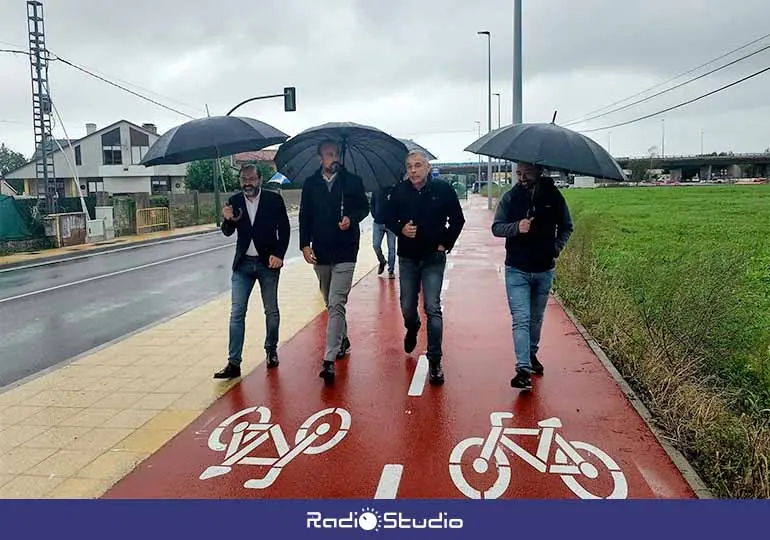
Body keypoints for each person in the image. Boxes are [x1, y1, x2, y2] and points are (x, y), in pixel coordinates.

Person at [491, 162, 574, 391]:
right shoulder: (510, 198)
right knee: (522, 318)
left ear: (538, 171)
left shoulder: (553, 197)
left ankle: (531, 355)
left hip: (544, 269)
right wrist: (517, 227)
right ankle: (523, 369)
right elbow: (497, 227)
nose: (522, 177)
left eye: (526, 172)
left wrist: (556, 248)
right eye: (518, 173)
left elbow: (567, 226)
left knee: (536, 319)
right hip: (516, 268)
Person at [386, 150, 465, 385]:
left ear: (428, 167)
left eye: (418, 165)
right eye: (409, 166)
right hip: (408, 257)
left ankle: (435, 360)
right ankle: (412, 327)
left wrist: (445, 243)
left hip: (433, 257)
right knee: (407, 305)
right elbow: (386, 217)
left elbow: (458, 220)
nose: (413, 170)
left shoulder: (442, 190)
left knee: (433, 307)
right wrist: (400, 229)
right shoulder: (399, 191)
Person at [299, 139, 369, 383]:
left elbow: (364, 208)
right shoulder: (310, 184)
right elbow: (304, 217)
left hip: (346, 251)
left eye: (336, 153)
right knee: (331, 302)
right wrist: (304, 245)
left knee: (337, 301)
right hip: (321, 251)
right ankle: (343, 338)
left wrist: (351, 217)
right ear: (321, 158)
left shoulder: (352, 181)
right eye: (329, 154)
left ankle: (329, 359)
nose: (333, 158)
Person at [215, 164, 291, 379]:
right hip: (243, 266)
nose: (247, 183)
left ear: (260, 179)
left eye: (251, 179)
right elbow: (228, 232)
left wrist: (279, 254)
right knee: (237, 313)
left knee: (271, 311)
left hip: (268, 263)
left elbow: (284, 230)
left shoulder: (274, 200)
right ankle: (233, 362)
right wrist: (227, 218)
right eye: (243, 179)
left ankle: (271, 350)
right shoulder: (235, 201)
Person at [370, 186, 397, 278]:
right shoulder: (376, 190)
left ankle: (391, 270)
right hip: (378, 223)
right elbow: (372, 204)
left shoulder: (395, 190)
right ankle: (382, 261)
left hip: (391, 224)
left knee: (392, 248)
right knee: (375, 245)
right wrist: (375, 215)